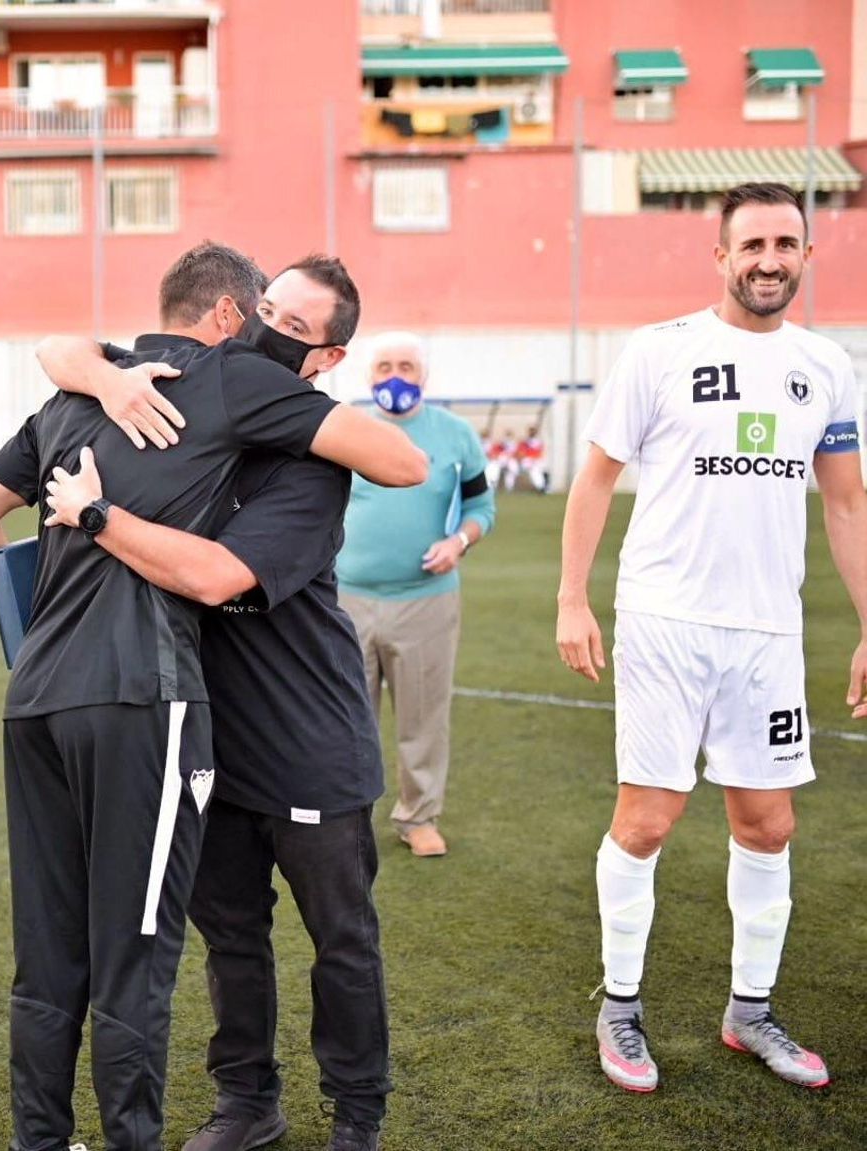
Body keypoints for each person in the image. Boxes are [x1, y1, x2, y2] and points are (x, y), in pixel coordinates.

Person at [0, 242, 425, 1151]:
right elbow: (66, 359)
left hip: (305, 734)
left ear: (323, 361)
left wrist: (92, 520)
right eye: (269, 309)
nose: (272, 330)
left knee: (340, 939)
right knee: (229, 937)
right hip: (198, 732)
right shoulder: (172, 401)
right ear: (239, 313)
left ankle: (357, 1114)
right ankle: (248, 1104)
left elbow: (217, 575)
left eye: (295, 328)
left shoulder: (306, 455)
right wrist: (98, 373)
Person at [557, 183, 865, 1094]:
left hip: (768, 631)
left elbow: (845, 500)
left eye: (786, 242)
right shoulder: (660, 351)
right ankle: (620, 1006)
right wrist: (574, 597)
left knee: (768, 823)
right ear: (720, 256)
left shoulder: (828, 364)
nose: (769, 258)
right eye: (752, 243)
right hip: (665, 622)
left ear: (807, 255)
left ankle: (750, 1011)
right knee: (647, 818)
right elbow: (595, 478)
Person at [337, 331, 496, 858]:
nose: (395, 375)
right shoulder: (345, 429)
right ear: (368, 376)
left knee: (422, 718)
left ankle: (418, 817)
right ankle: (343, 817)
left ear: (424, 375)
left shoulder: (453, 435)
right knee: (342, 716)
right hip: (345, 602)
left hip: (426, 601)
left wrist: (460, 541)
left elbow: (481, 508)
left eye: (406, 365)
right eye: (384, 366)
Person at [517, 425, 549, 493]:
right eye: (530, 431)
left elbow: (540, 453)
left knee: (544, 469)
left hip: (536, 460)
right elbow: (520, 453)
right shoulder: (524, 442)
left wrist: (536, 458)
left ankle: (543, 486)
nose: (532, 432)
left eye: (533, 431)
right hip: (527, 460)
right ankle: (541, 487)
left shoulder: (539, 441)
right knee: (534, 471)